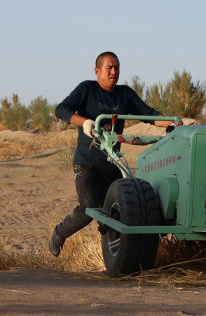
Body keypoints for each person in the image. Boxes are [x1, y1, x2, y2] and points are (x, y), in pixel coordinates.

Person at [48, 51, 174, 256]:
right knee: (90, 208)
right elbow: (61, 109)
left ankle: (117, 256)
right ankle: (59, 233)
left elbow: (149, 115)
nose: (114, 72)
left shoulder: (124, 94)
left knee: (119, 210)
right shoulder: (87, 89)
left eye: (117, 67)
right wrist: (85, 122)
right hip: (87, 164)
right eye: (109, 68)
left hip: (113, 165)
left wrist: (172, 121)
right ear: (97, 71)